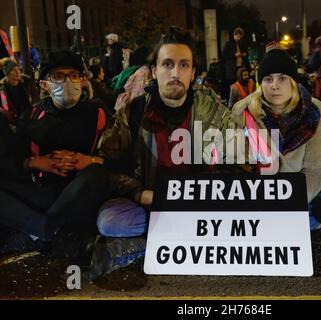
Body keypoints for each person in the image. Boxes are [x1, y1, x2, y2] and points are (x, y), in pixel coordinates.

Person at [88, 26, 234, 280]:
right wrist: (137, 192)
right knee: (109, 220)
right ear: (154, 71)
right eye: (167, 64)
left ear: (193, 73)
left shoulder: (215, 113)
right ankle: (183, 241)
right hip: (151, 203)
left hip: (198, 205)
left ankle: (143, 247)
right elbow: (108, 166)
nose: (175, 73)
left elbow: (236, 163)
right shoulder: (133, 112)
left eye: (184, 65)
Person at [0, 51, 110, 260]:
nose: (67, 82)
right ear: (44, 85)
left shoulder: (99, 114)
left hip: (81, 192)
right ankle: (49, 229)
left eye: (73, 75)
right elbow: (13, 161)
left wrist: (90, 161)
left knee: (97, 174)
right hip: (45, 193)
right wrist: (35, 162)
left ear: (83, 80)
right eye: (58, 76)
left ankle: (41, 231)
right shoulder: (32, 116)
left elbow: (120, 160)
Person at [231, 49, 321, 231]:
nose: (275, 85)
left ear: (293, 82)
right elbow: (240, 167)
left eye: (282, 78)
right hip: (258, 197)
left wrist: (286, 204)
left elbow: (312, 170)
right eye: (268, 79)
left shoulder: (313, 113)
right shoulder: (243, 114)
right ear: (261, 84)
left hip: (299, 194)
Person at [0, 58, 34, 125]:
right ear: (8, 74)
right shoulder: (2, 89)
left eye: (18, 69)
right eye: (14, 70)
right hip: (17, 119)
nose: (18, 72)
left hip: (31, 113)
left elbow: (35, 97)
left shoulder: (26, 81)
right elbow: (5, 107)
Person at [222, 27, 248, 100]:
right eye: (237, 36)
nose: (238, 38)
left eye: (240, 36)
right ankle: (230, 99)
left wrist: (243, 54)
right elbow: (224, 55)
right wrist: (234, 55)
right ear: (234, 35)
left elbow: (246, 53)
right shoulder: (229, 44)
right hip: (231, 68)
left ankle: (239, 98)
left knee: (239, 83)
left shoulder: (242, 44)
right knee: (231, 84)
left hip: (240, 67)